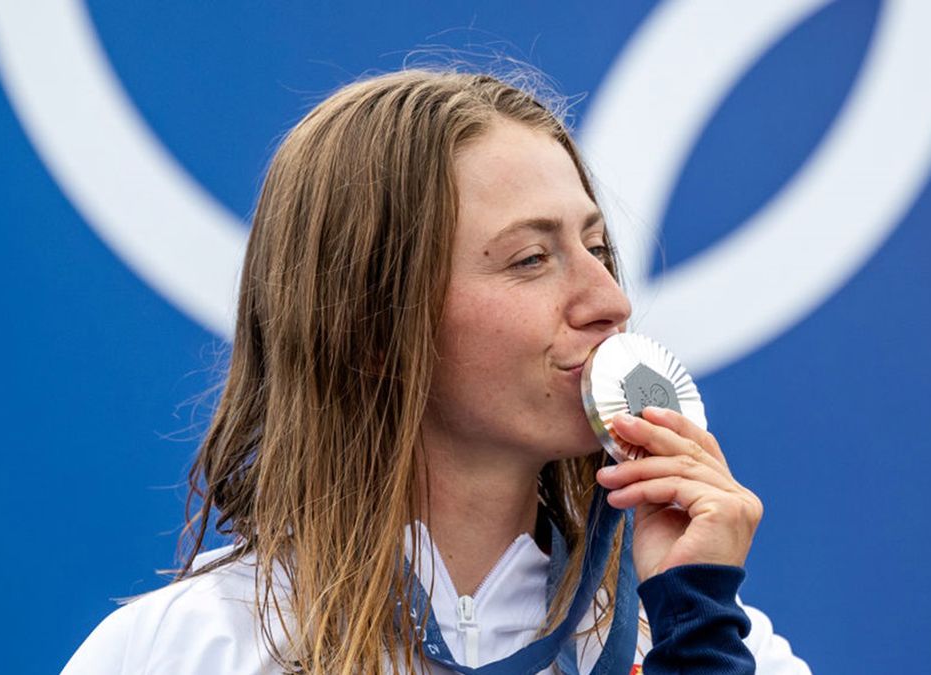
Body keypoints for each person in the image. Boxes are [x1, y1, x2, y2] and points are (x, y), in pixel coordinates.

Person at [63, 69, 812, 675]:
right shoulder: (182, 651)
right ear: (372, 329)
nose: (610, 301)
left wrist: (697, 633)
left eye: (599, 249)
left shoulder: (700, 631)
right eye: (531, 259)